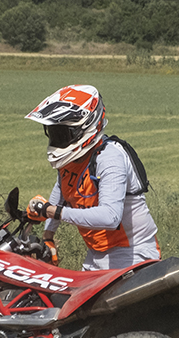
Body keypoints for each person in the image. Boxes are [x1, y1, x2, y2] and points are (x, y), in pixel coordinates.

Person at [23, 84, 159, 271]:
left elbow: (110, 217)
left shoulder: (110, 158)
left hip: (133, 254)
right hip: (96, 253)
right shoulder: (72, 159)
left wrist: (52, 211)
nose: (57, 141)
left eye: (63, 134)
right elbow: (62, 189)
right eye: (53, 133)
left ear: (86, 127)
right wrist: (48, 236)